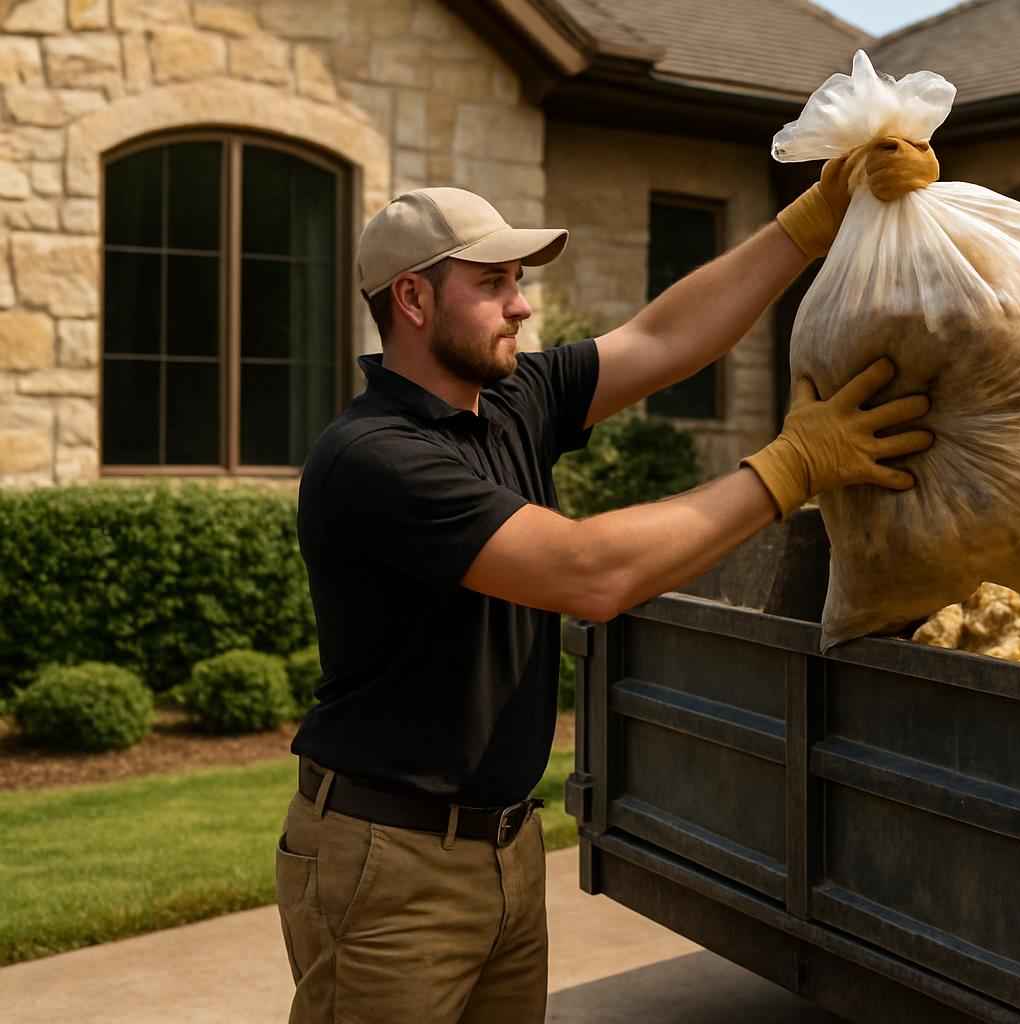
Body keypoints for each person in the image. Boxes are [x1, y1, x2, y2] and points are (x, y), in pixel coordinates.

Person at [274, 138, 940, 1024]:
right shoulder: (374, 459)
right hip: (390, 865)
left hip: (505, 847)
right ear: (413, 299)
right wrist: (793, 466)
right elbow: (589, 572)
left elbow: (665, 338)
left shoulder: (508, 402)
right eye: (494, 283)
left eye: (518, 281)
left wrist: (811, 221)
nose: (521, 304)